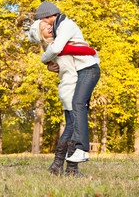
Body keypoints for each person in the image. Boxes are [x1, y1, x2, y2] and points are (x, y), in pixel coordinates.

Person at [29, 19, 96, 176]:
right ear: (42, 37)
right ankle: (67, 168)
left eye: (47, 24)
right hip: (71, 89)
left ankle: (58, 166)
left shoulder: (55, 46)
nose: (47, 27)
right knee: (73, 128)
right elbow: (72, 69)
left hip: (68, 89)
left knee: (71, 127)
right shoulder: (55, 47)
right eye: (43, 28)